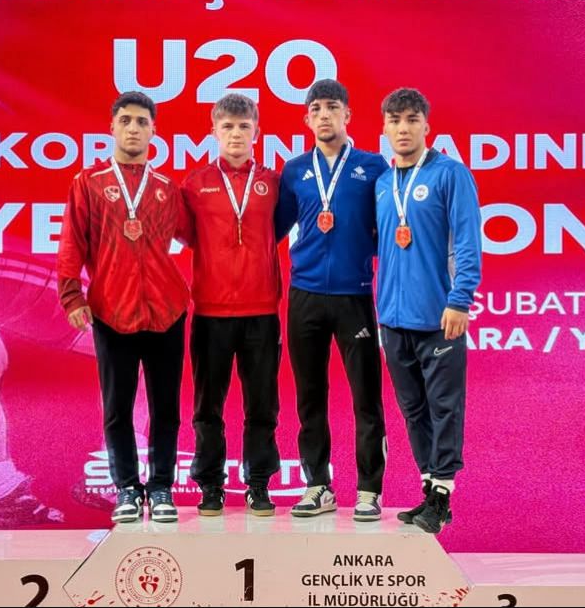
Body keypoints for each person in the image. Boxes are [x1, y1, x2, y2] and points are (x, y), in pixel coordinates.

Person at [57, 91, 189, 524]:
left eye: (142, 122)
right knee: (118, 409)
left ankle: (162, 487)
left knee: (166, 408)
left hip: (167, 311)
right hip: (112, 310)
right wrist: (72, 296)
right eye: (126, 120)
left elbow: (200, 236)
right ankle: (128, 489)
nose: (134, 128)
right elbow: (72, 242)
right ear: (112, 127)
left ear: (154, 131)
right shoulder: (89, 183)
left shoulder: (167, 188)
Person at [274, 79, 388, 521]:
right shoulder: (294, 170)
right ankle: (317, 485)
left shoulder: (372, 166)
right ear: (306, 118)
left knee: (366, 397)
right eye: (317, 108)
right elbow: (273, 230)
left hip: (353, 295)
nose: (324, 115)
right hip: (304, 295)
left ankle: (369, 490)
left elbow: (389, 227)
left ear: (347, 115)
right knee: (309, 396)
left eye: (332, 107)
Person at [375, 88, 482, 533]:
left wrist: (460, 299)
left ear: (426, 126)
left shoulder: (450, 174)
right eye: (395, 120)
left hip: (439, 316)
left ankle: (442, 493)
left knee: (444, 407)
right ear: (384, 127)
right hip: (392, 319)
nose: (403, 128)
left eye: (412, 120)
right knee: (413, 410)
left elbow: (468, 242)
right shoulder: (383, 183)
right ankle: (428, 489)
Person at [176, 93, 282, 517]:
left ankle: (258, 484)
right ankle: (210, 486)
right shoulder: (194, 185)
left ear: (257, 131)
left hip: (262, 311)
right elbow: (187, 236)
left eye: (243, 126)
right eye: (227, 127)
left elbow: (279, 228)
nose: (235, 134)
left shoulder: (274, 182)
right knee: (207, 407)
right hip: (211, 312)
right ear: (214, 132)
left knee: (262, 405)